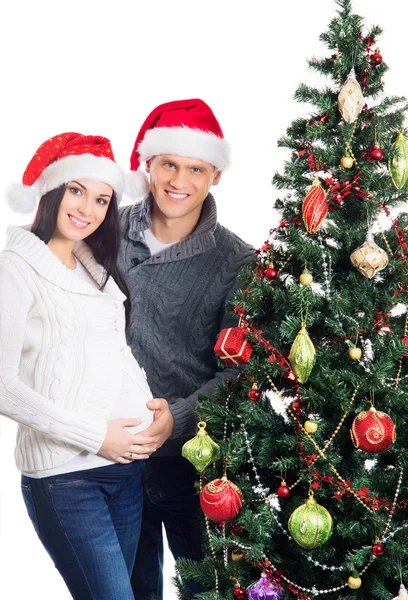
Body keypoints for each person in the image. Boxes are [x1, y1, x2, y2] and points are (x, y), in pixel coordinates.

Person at [1, 132, 166, 600]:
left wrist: (159, 410)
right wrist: (98, 437)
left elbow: (117, 350)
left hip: (128, 471)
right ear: (52, 191)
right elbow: (2, 386)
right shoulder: (15, 269)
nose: (87, 209)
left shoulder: (94, 265)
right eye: (76, 190)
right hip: (66, 478)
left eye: (101, 199)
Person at [118, 99, 254, 599]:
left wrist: (176, 418)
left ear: (214, 175)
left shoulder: (237, 262)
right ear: (147, 165)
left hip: (195, 463)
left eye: (195, 168)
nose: (180, 180)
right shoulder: (103, 232)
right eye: (169, 164)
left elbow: (240, 373)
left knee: (209, 590)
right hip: (109, 455)